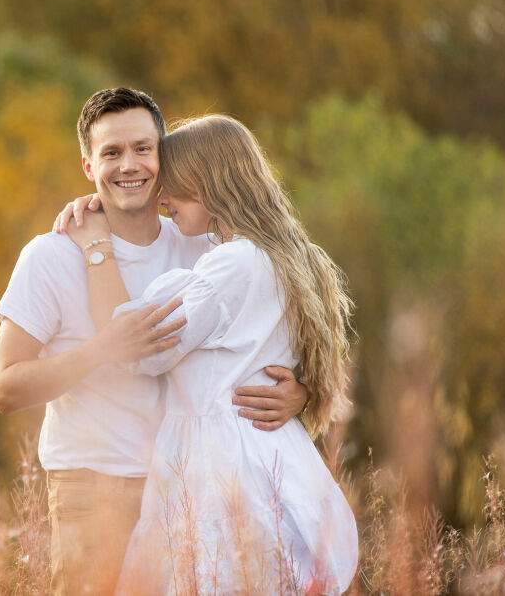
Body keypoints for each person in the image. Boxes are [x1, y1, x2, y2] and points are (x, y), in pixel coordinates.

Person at [0, 88, 310, 595]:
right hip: (95, 490)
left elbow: (273, 334)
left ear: (165, 157)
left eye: (143, 148)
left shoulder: (205, 243)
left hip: (195, 490)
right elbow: (6, 389)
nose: (129, 165)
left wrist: (300, 394)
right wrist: (102, 349)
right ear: (88, 166)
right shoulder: (49, 256)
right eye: (111, 153)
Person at [62, 115, 358, 594]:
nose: (163, 200)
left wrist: (97, 245)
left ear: (209, 185)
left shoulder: (231, 266)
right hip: (266, 450)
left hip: (222, 462)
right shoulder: (280, 256)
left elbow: (138, 348)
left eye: (174, 188)